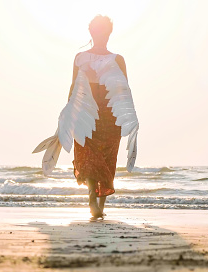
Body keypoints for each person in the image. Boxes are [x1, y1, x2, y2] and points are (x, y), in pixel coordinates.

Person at [33, 15, 139, 219]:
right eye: (98, 31)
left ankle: (100, 203)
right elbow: (73, 87)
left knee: (108, 157)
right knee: (87, 154)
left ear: (109, 33)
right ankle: (92, 196)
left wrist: (130, 118)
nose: (102, 35)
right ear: (91, 33)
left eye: (105, 32)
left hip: (109, 112)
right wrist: (69, 114)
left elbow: (125, 90)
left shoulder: (117, 59)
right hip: (85, 112)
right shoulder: (80, 58)